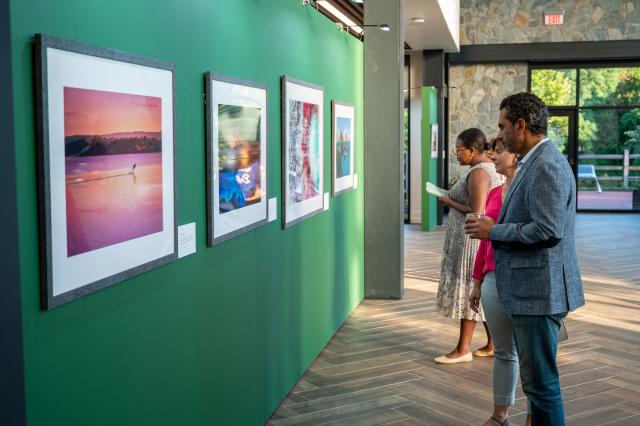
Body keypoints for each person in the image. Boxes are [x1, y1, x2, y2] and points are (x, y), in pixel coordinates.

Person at [465, 92, 585, 425]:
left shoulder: (545, 166)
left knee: (542, 386)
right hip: (533, 289)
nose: (499, 136)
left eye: (502, 127)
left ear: (521, 125)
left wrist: (495, 231)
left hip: (539, 292)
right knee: (538, 384)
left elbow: (548, 230)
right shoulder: (536, 162)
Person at [468, 137, 531, 426]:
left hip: (525, 279)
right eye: (492, 150)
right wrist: (477, 280)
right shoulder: (494, 192)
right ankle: (499, 415)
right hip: (493, 277)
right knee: (504, 352)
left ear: (517, 155)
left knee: (532, 356)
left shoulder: (529, 189)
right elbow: (484, 241)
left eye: (500, 150)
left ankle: (535, 414)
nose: (493, 155)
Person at [434, 128, 502, 364]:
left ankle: (463, 349)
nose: (456, 154)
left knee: (468, 292)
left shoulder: (480, 172)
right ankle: (494, 343)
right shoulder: (486, 168)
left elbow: (477, 211)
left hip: (470, 240)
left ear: (472, 151)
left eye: (459, 150)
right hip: (472, 238)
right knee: (478, 294)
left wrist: (447, 200)